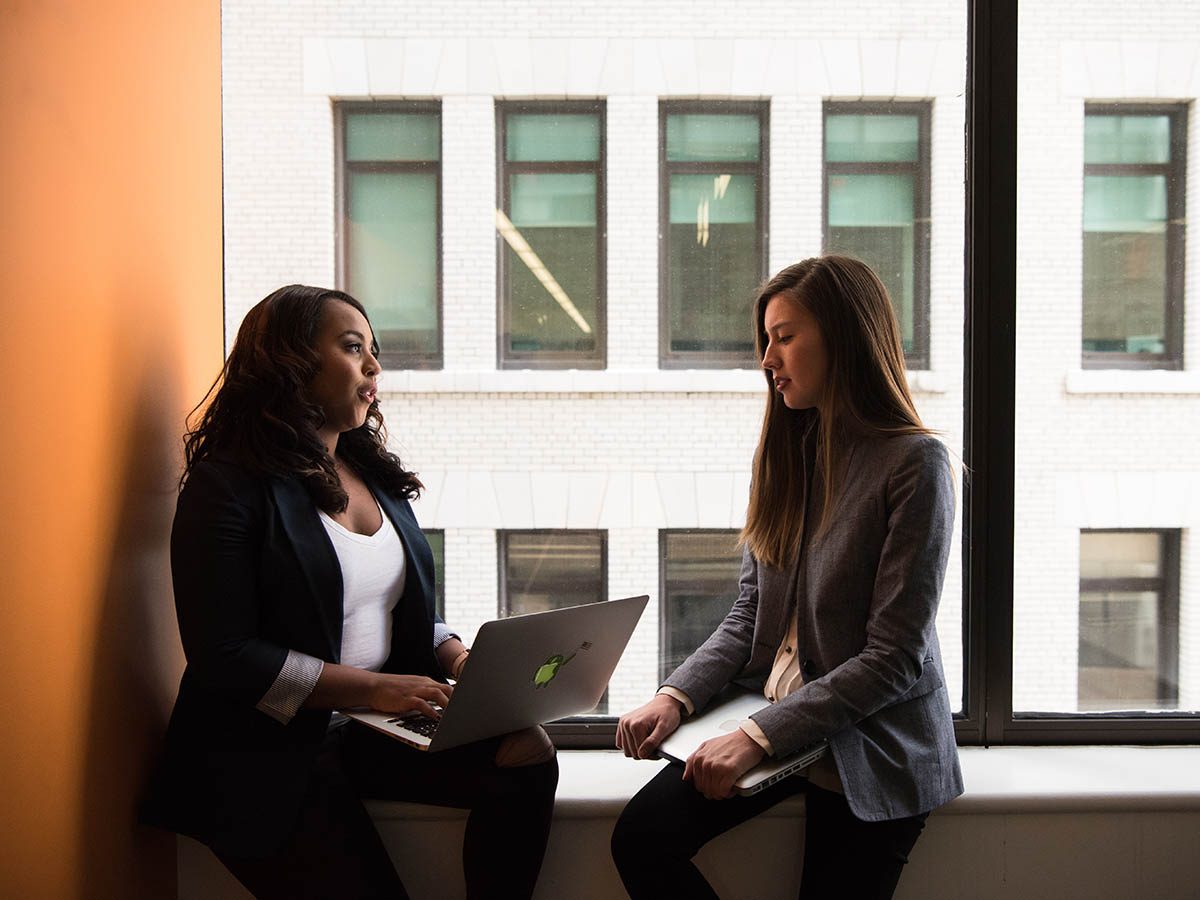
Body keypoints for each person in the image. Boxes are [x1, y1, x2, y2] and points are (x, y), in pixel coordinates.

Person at [142, 285, 558, 900]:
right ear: (288, 361)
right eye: (353, 347)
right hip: (261, 755)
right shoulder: (225, 485)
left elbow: (398, 608)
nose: (373, 367)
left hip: (363, 729)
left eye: (374, 351)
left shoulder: (373, 476)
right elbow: (224, 656)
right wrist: (377, 688)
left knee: (528, 751)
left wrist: (462, 660)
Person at [611, 256, 962, 899]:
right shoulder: (786, 455)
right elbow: (751, 615)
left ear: (845, 334)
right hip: (778, 712)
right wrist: (674, 697)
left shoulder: (917, 463)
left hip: (871, 738)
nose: (767, 358)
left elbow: (894, 659)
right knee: (639, 839)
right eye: (765, 340)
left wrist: (756, 737)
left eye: (785, 336)